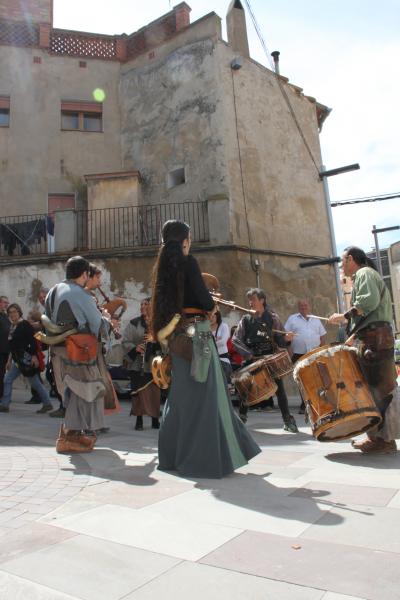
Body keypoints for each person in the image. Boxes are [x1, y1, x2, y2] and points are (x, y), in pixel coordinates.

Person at [150, 219, 260, 478]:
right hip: (197, 335)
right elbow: (202, 298)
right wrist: (212, 305)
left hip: (177, 338)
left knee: (180, 399)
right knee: (208, 398)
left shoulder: (162, 269)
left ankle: (172, 458)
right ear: (186, 241)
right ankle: (203, 461)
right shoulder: (189, 263)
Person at [328, 246, 398, 454]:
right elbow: (370, 314)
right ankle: (381, 438)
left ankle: (382, 441)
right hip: (375, 338)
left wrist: (344, 316)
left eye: (342, 262)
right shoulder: (367, 274)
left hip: (375, 340)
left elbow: (368, 302)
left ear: (350, 259)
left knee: (375, 391)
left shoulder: (364, 273)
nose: (341, 267)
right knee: (376, 389)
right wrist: (352, 335)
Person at [45, 256, 111, 453]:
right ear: (84, 274)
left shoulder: (52, 291)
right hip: (79, 354)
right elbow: (96, 325)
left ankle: (70, 436)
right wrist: (108, 320)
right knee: (87, 392)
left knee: (74, 393)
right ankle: (70, 436)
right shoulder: (80, 293)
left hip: (58, 353)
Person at [233, 288, 298, 432]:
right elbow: (236, 339)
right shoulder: (246, 319)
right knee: (245, 389)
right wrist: (249, 355)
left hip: (269, 358)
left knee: (280, 391)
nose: (250, 302)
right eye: (249, 300)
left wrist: (286, 339)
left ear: (262, 300)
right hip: (252, 357)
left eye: (253, 299)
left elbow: (281, 340)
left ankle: (288, 420)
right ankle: (242, 419)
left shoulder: (273, 318)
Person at [85, 263, 120, 432]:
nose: (100, 281)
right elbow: (93, 324)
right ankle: (88, 425)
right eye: (97, 277)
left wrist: (107, 320)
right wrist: (106, 319)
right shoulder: (85, 297)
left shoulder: (90, 296)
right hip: (86, 349)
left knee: (99, 387)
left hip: (95, 348)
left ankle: (96, 423)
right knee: (91, 387)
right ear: (88, 276)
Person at [0, 303, 52, 413]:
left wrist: (33, 357)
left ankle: (47, 403)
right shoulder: (12, 326)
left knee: (35, 383)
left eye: (14, 311)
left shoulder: (24, 324)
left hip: (26, 359)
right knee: (8, 380)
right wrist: (9, 360)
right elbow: (12, 346)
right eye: (10, 312)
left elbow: (32, 341)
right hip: (17, 360)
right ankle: (5, 405)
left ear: (19, 312)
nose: (12, 314)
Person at [122, 297, 160, 431]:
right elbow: (125, 341)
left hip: (153, 364)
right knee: (137, 392)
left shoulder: (158, 325)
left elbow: (166, 343)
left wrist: (155, 341)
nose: (143, 306)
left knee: (154, 393)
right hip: (137, 364)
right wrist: (135, 348)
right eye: (142, 304)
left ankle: (155, 419)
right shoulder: (134, 323)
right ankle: (139, 420)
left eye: (146, 304)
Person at [285, 299, 327, 413]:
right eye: (301, 305)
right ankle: (305, 404)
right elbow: (286, 337)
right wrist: (290, 352)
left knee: (316, 379)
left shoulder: (316, 319)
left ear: (310, 306)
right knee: (302, 380)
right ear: (298, 307)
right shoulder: (292, 319)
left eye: (305, 305)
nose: (304, 307)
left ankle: (317, 403)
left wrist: (321, 351)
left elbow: (322, 336)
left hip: (314, 354)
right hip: (298, 354)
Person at [210, 310, 232, 382]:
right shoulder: (206, 328)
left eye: (213, 316)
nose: (211, 318)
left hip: (223, 361)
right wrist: (216, 340)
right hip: (211, 362)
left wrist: (211, 343)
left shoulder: (223, 326)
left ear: (217, 316)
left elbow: (223, 342)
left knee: (226, 384)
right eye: (210, 316)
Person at [0, 296, 10, 399]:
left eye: (7, 303)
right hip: (1, 350)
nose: (6, 305)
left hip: (6, 350)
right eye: (4, 303)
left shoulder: (6, 316)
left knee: (4, 373)